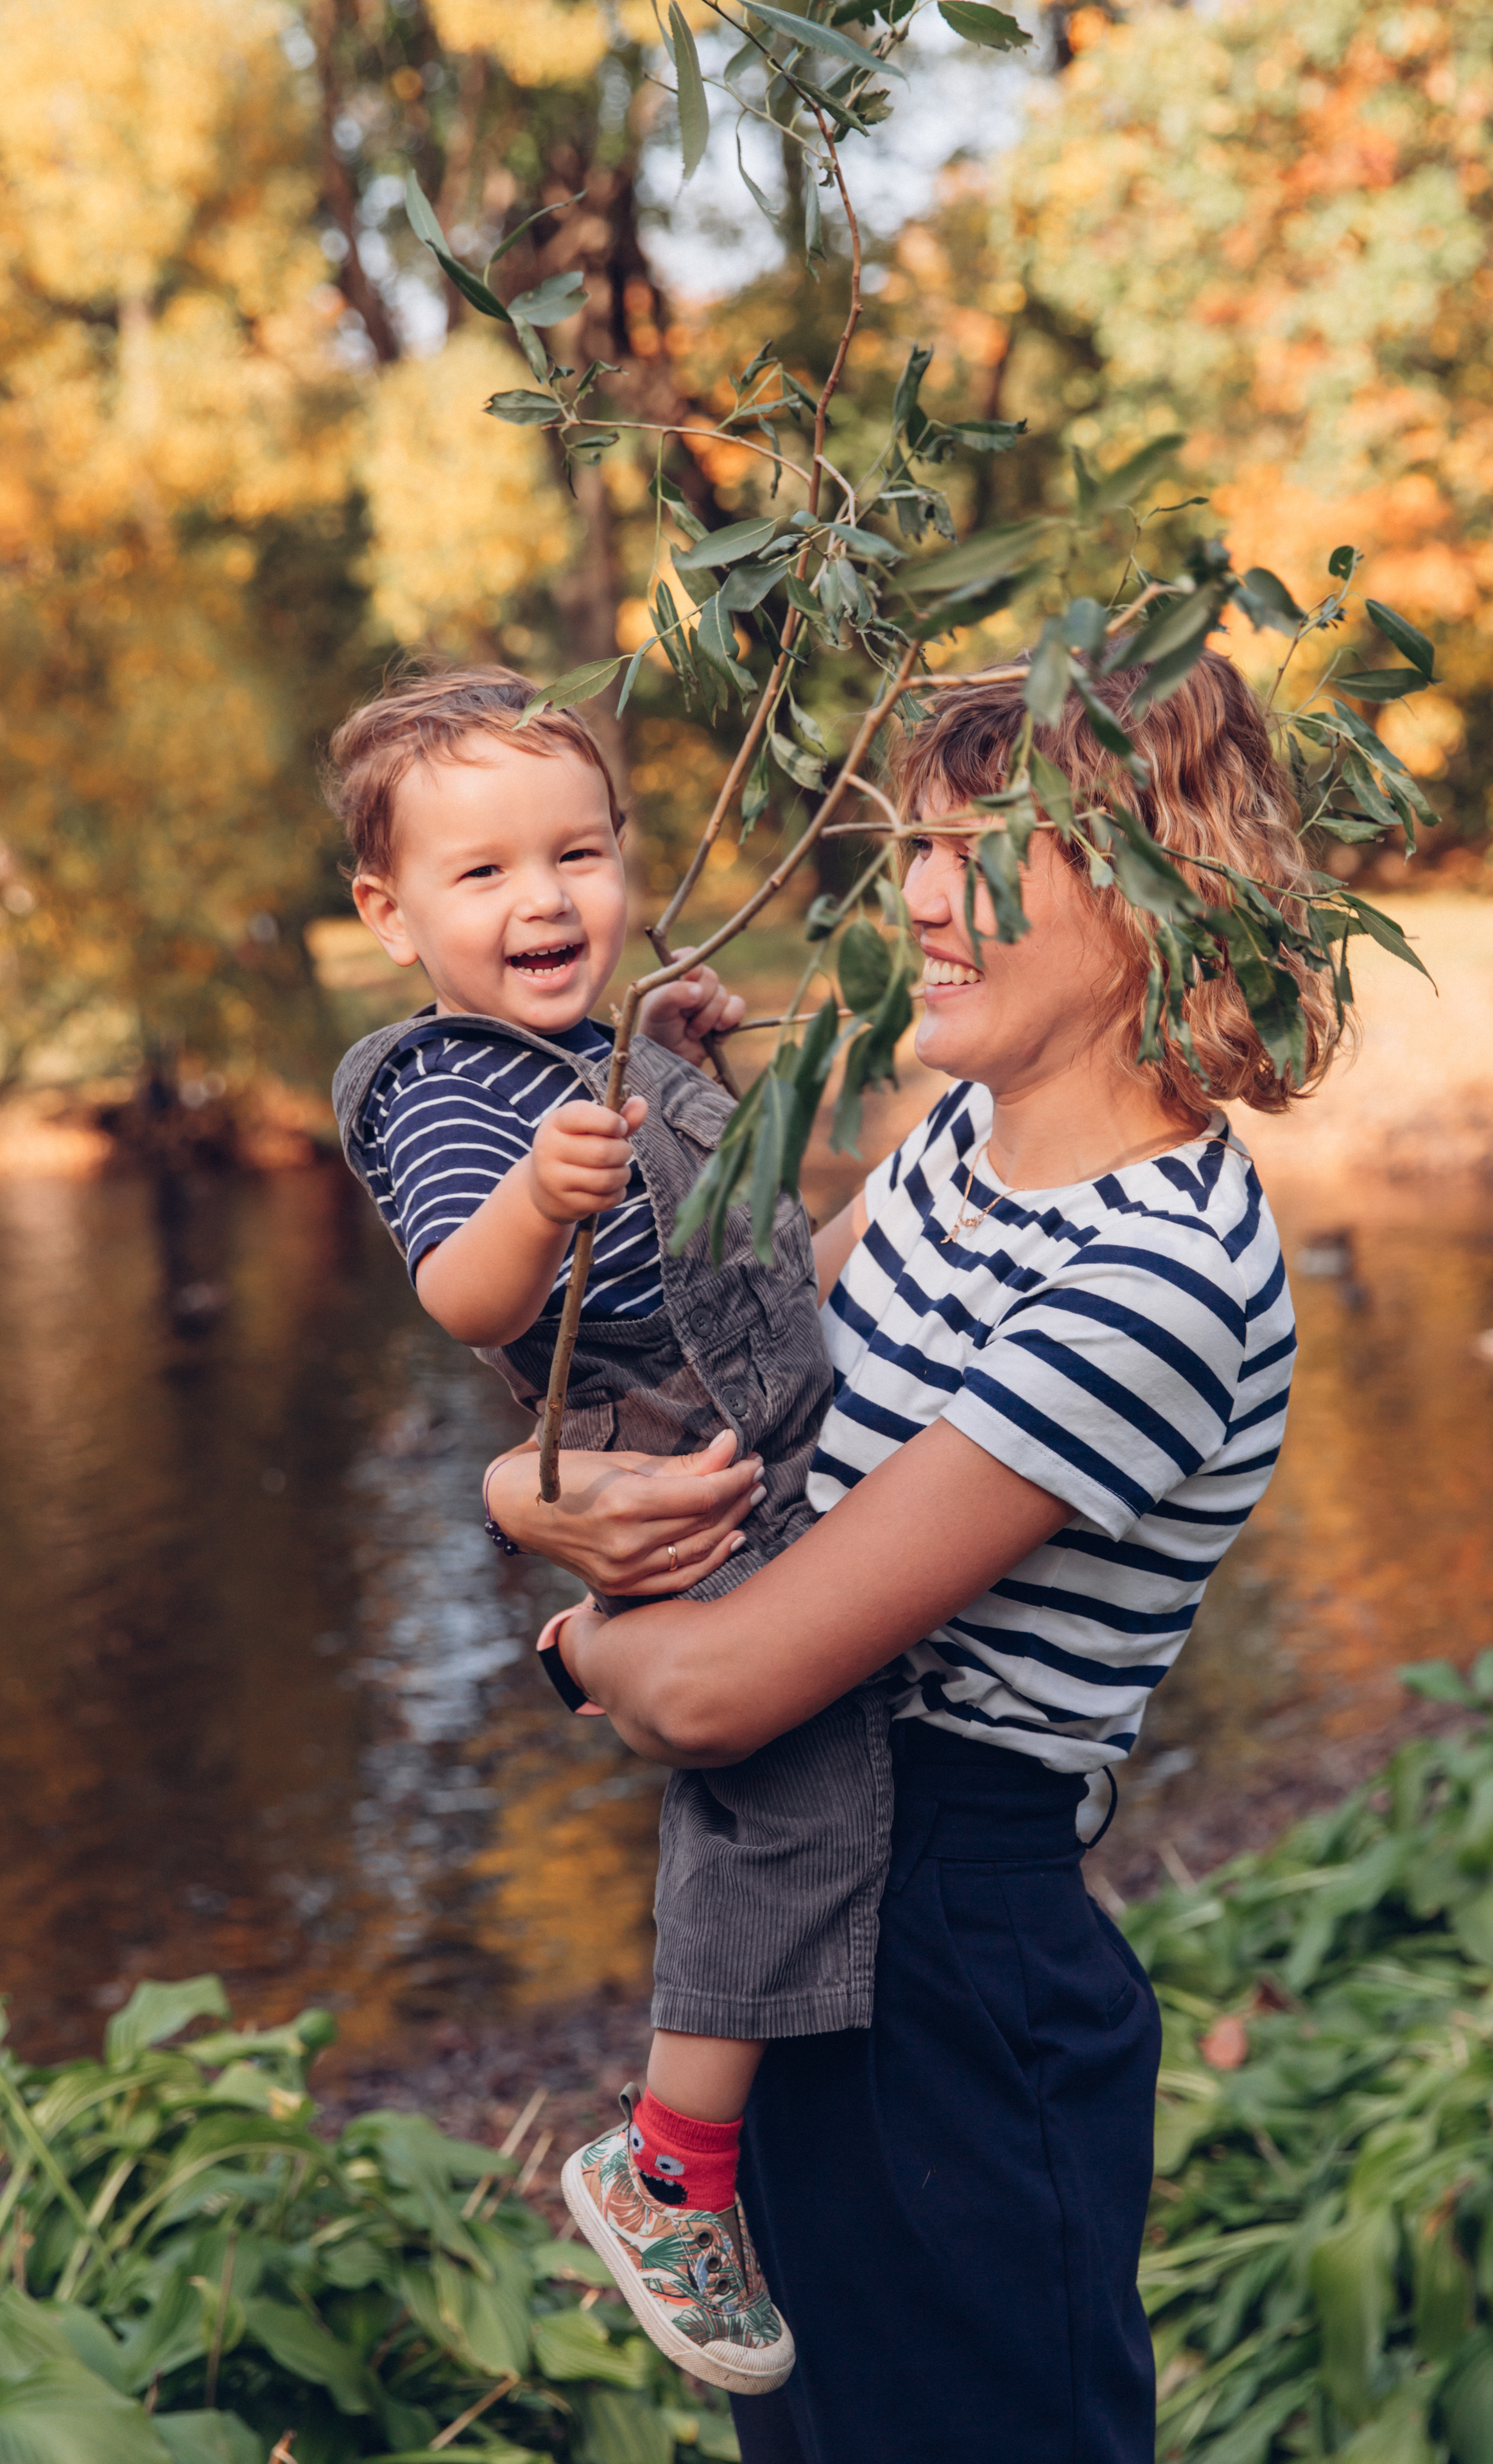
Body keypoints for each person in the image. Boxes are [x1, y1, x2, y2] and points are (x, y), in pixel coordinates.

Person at [484, 649, 1346, 2463]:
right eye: (917, 849)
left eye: (981, 854)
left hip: (947, 1972)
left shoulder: (1164, 1276)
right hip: (794, 1932)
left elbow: (719, 1686)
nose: (918, 900)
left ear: (1150, 891)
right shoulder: (960, 1134)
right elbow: (738, 1404)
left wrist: (577, 1651)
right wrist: (523, 1498)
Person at [326, 666, 902, 2397]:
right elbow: (457, 1293)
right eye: (485, 874)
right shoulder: (449, 1090)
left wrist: (679, 1060)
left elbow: (738, 1249)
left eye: (577, 853)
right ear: (391, 914)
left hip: (773, 1388)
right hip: (673, 1448)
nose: (545, 899)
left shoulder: (603, 1043)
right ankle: (666, 2163)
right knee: (788, 1798)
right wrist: (533, 1198)